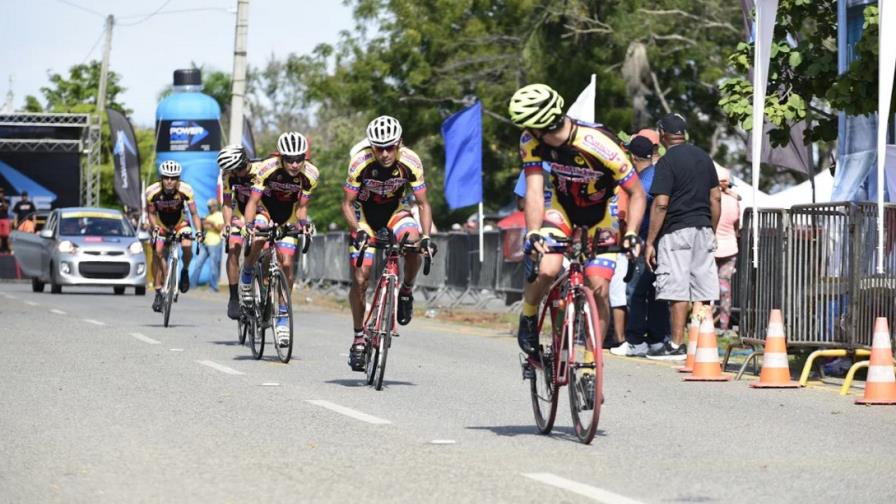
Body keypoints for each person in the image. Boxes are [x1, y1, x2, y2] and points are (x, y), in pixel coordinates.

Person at [508, 83, 647, 372]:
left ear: (541, 126)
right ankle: (529, 316)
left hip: (601, 216)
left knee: (599, 288)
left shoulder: (599, 144)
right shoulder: (530, 141)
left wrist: (632, 232)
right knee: (547, 268)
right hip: (562, 211)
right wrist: (533, 232)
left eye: (527, 126)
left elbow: (636, 193)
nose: (524, 131)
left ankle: (589, 363)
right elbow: (535, 189)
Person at [342, 115, 435, 371]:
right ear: (371, 146)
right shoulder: (360, 162)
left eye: (390, 147)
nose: (384, 153)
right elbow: (347, 204)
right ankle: (359, 338)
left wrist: (426, 237)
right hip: (365, 218)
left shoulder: (411, 161)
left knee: (414, 241)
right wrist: (356, 229)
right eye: (379, 147)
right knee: (361, 278)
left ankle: (405, 290)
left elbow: (423, 203)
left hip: (395, 212)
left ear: (399, 143)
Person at [643, 113, 721, 360]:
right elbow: (716, 197)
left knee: (677, 289)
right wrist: (711, 229)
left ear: (663, 135)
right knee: (702, 287)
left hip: (677, 230)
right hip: (703, 227)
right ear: (683, 134)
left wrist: (650, 241)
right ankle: (701, 341)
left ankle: (676, 345)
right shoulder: (704, 157)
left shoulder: (667, 162)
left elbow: (661, 203)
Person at [240, 132, 318, 348]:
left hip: (288, 216)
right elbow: (253, 201)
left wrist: (303, 226)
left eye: (299, 159)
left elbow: (302, 209)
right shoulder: (267, 168)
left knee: (287, 264)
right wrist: (248, 226)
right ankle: (247, 274)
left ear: (305, 157)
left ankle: (282, 318)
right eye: (289, 160)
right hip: (265, 209)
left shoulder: (310, 174)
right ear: (281, 157)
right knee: (260, 230)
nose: (294, 164)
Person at [611, 135, 671, 357]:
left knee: (634, 292)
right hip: (660, 241)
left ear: (632, 157)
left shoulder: (642, 182)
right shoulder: (658, 175)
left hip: (646, 241)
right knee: (656, 292)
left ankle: (635, 340)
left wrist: (635, 239)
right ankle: (657, 339)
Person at [145, 160, 204, 312]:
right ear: (161, 178)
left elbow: (194, 213)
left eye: (173, 178)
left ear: (178, 179)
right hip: (161, 224)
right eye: (166, 178)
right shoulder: (152, 191)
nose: (170, 181)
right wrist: (155, 227)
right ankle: (158, 291)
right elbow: (151, 214)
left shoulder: (186, 190)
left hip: (180, 223)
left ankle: (184, 270)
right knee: (157, 252)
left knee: (187, 246)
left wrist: (198, 231)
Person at [218, 144, 260, 319]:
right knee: (233, 246)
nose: (237, 173)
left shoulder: (261, 170)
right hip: (240, 212)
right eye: (233, 170)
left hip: (262, 211)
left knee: (263, 245)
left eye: (239, 169)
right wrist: (227, 224)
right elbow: (227, 203)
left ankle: (265, 289)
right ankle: (234, 297)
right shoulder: (229, 176)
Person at [714, 165, 740, 333]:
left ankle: (704, 321)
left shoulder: (712, 199)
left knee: (706, 289)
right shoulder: (734, 201)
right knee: (725, 289)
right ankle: (724, 325)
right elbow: (737, 227)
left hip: (712, 248)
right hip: (730, 247)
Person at [190, 198, 224, 293]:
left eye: (210, 207)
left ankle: (214, 286)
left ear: (215, 206)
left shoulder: (220, 215)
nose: (209, 209)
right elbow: (204, 227)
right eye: (208, 207)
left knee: (214, 265)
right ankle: (192, 284)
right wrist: (207, 224)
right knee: (198, 263)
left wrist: (211, 223)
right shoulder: (208, 215)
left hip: (215, 242)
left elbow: (221, 228)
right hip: (206, 242)